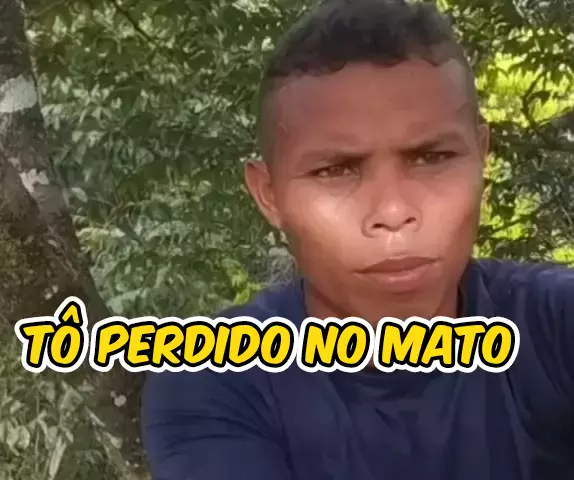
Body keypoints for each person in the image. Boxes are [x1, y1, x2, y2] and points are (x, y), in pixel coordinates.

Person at [141, 0, 574, 478]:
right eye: (336, 170)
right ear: (269, 194)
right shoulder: (217, 379)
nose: (393, 212)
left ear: (481, 158)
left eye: (433, 158)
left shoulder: (554, 326)